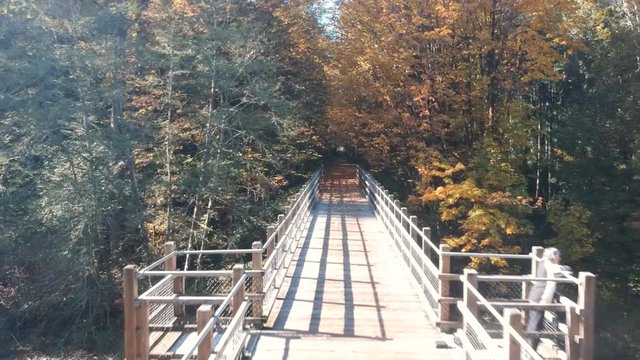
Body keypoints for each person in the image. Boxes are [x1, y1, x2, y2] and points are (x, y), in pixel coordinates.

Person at [526, 247, 571, 351]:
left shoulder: (542, 263)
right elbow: (566, 271)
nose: (559, 258)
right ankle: (531, 352)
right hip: (540, 299)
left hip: (534, 296)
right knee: (536, 327)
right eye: (558, 255)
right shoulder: (550, 266)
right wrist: (564, 269)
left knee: (533, 324)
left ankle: (529, 350)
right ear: (553, 256)